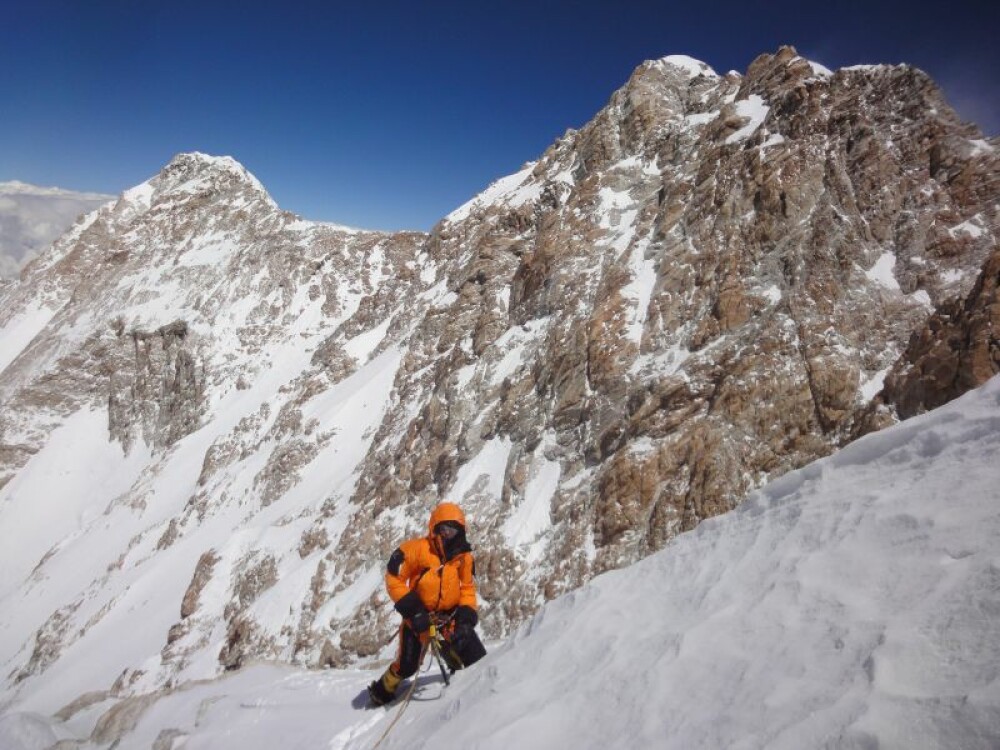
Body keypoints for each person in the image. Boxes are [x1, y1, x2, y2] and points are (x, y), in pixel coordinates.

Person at [367, 502, 487, 706]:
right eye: (444, 529)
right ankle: (382, 691)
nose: (449, 534)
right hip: (418, 620)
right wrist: (414, 611)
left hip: (449, 618)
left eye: (453, 529)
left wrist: (466, 616)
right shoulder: (417, 550)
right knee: (407, 665)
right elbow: (394, 577)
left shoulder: (463, 557)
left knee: (476, 658)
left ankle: (480, 697)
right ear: (435, 529)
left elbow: (467, 588)